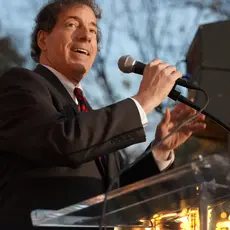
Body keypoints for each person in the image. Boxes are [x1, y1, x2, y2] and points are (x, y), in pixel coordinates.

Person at [0, 0, 206, 229]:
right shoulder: (19, 85)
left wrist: (161, 149)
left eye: (93, 31)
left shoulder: (89, 115)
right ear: (43, 40)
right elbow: (63, 140)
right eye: (71, 25)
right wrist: (144, 100)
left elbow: (117, 192)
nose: (86, 36)